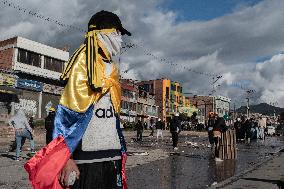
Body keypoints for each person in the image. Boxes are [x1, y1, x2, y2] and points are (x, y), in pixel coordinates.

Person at [25, 10, 131, 189]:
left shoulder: (112, 69)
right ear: (104, 34)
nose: (120, 38)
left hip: (112, 157)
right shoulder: (84, 63)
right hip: (86, 161)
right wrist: (66, 159)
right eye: (117, 33)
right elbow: (66, 115)